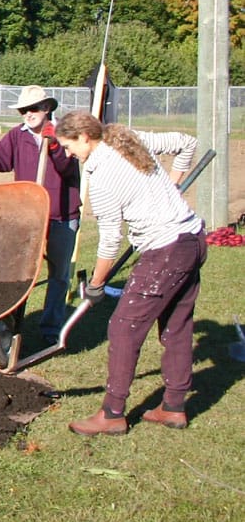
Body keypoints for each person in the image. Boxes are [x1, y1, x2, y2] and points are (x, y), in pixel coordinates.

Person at [54, 110, 205, 436]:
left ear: (84, 137)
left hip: (165, 252)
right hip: (192, 240)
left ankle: (112, 413)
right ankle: (174, 407)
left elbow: (110, 241)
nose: (68, 154)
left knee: (123, 329)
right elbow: (186, 143)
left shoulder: (103, 176)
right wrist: (174, 184)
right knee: (177, 326)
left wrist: (96, 284)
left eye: (68, 146)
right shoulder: (129, 137)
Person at [0, 85, 81, 357]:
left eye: (33, 109)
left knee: (59, 275)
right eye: (23, 110)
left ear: (47, 108)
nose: (28, 114)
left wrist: (55, 145)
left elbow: (68, 168)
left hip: (61, 214)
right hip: (27, 216)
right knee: (19, 275)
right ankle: (9, 329)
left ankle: (51, 330)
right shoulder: (16, 136)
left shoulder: (65, 134)